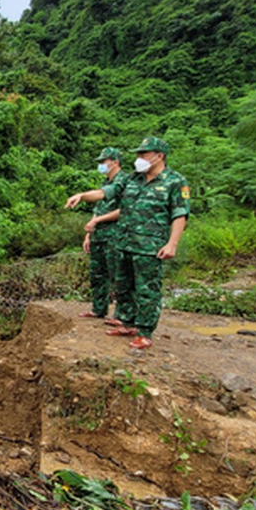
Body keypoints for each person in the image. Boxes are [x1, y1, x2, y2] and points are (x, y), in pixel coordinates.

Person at [65, 137, 190, 350]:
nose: (138, 158)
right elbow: (106, 192)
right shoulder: (133, 178)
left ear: (159, 156)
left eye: (143, 154)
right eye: (137, 154)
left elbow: (180, 214)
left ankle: (145, 331)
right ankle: (127, 323)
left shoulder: (175, 181)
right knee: (122, 285)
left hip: (149, 245)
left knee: (146, 288)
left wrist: (172, 244)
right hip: (123, 242)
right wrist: (82, 195)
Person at [75, 147, 127, 320]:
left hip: (115, 235)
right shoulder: (106, 184)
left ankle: (122, 315)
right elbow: (98, 209)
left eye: (103, 162)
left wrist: (97, 221)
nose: (101, 165)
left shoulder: (124, 182)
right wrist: (89, 234)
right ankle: (98, 309)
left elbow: (125, 210)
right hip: (99, 236)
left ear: (115, 162)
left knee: (118, 276)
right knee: (97, 274)